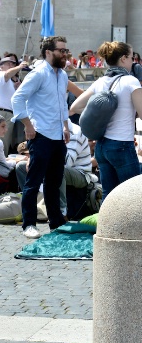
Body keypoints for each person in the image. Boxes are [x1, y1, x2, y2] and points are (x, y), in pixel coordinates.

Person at [11, 36, 70, 239]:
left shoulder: (62, 75)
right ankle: (29, 223)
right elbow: (17, 98)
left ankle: (55, 222)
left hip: (57, 135)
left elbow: (63, 103)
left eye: (65, 50)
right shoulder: (38, 74)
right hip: (41, 134)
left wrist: (66, 127)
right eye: (61, 50)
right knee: (33, 181)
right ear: (48, 52)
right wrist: (27, 124)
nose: (65, 54)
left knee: (54, 182)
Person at [70, 41, 142, 199]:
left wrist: (100, 113)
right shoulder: (131, 81)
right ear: (123, 59)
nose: (133, 62)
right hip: (122, 144)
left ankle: (105, 225)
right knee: (134, 196)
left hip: (102, 146)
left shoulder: (101, 81)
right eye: (131, 58)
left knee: (109, 195)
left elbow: (75, 106)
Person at [0, 56, 28, 156]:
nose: (11, 65)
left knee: (5, 142)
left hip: (8, 114)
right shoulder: (1, 74)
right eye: (8, 63)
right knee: (2, 142)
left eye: (13, 64)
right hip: (1, 112)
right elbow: (7, 74)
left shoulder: (11, 82)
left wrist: (18, 89)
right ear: (1, 67)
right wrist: (19, 67)